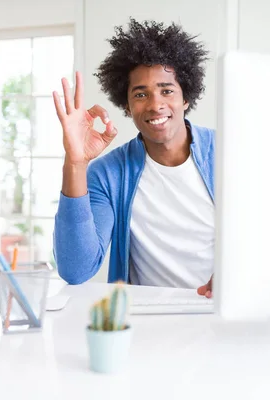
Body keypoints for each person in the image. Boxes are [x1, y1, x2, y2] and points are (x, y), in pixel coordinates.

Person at [52, 18, 214, 298]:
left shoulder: (227, 152)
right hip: (146, 322)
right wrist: (75, 164)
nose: (155, 105)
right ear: (126, 106)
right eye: (141, 94)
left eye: (167, 90)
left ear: (186, 97)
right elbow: (76, 270)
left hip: (223, 313)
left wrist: (235, 273)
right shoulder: (108, 173)